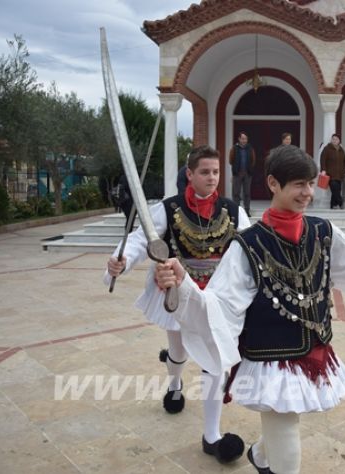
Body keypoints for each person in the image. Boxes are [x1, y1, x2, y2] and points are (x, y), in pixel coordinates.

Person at [154, 145, 345, 474]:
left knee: (284, 426)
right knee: (288, 442)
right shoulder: (247, 245)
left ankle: (261, 454)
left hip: (313, 349)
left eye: (311, 183)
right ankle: (272, 459)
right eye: (298, 184)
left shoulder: (322, 230)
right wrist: (183, 283)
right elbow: (218, 304)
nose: (307, 192)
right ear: (273, 184)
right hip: (269, 358)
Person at [105, 145, 250, 464]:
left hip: (214, 297)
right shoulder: (167, 208)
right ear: (190, 174)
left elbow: (250, 247)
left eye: (215, 172)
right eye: (204, 172)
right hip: (175, 291)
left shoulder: (233, 210)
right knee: (180, 351)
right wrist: (123, 259)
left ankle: (211, 434)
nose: (212, 178)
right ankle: (174, 384)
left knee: (214, 360)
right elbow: (141, 240)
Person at [228, 131, 256, 216]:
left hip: (247, 173)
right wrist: (235, 169)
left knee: (247, 193)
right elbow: (231, 160)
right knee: (236, 193)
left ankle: (247, 210)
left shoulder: (250, 148)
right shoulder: (234, 148)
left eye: (246, 139)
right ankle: (237, 211)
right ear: (239, 139)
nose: (244, 140)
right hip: (237, 173)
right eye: (243, 138)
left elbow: (253, 160)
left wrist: (250, 169)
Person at [320, 133, 345, 209]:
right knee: (334, 188)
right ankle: (341, 203)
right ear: (331, 140)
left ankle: (333, 204)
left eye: (336, 139)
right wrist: (323, 170)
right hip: (330, 174)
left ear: (339, 141)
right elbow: (323, 159)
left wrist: (343, 171)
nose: (334, 140)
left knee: (337, 190)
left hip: (339, 175)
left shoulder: (341, 150)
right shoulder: (327, 148)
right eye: (333, 139)